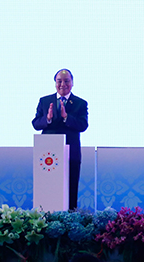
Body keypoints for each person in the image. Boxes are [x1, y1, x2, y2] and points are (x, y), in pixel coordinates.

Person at [32, 69, 89, 209]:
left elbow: (83, 125)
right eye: (59, 81)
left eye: (66, 81)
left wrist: (66, 117)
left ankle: (71, 220)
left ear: (72, 83)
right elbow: (35, 123)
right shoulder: (44, 101)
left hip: (71, 154)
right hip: (47, 154)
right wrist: (48, 119)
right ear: (55, 83)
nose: (63, 84)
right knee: (47, 189)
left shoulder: (80, 103)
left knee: (70, 188)